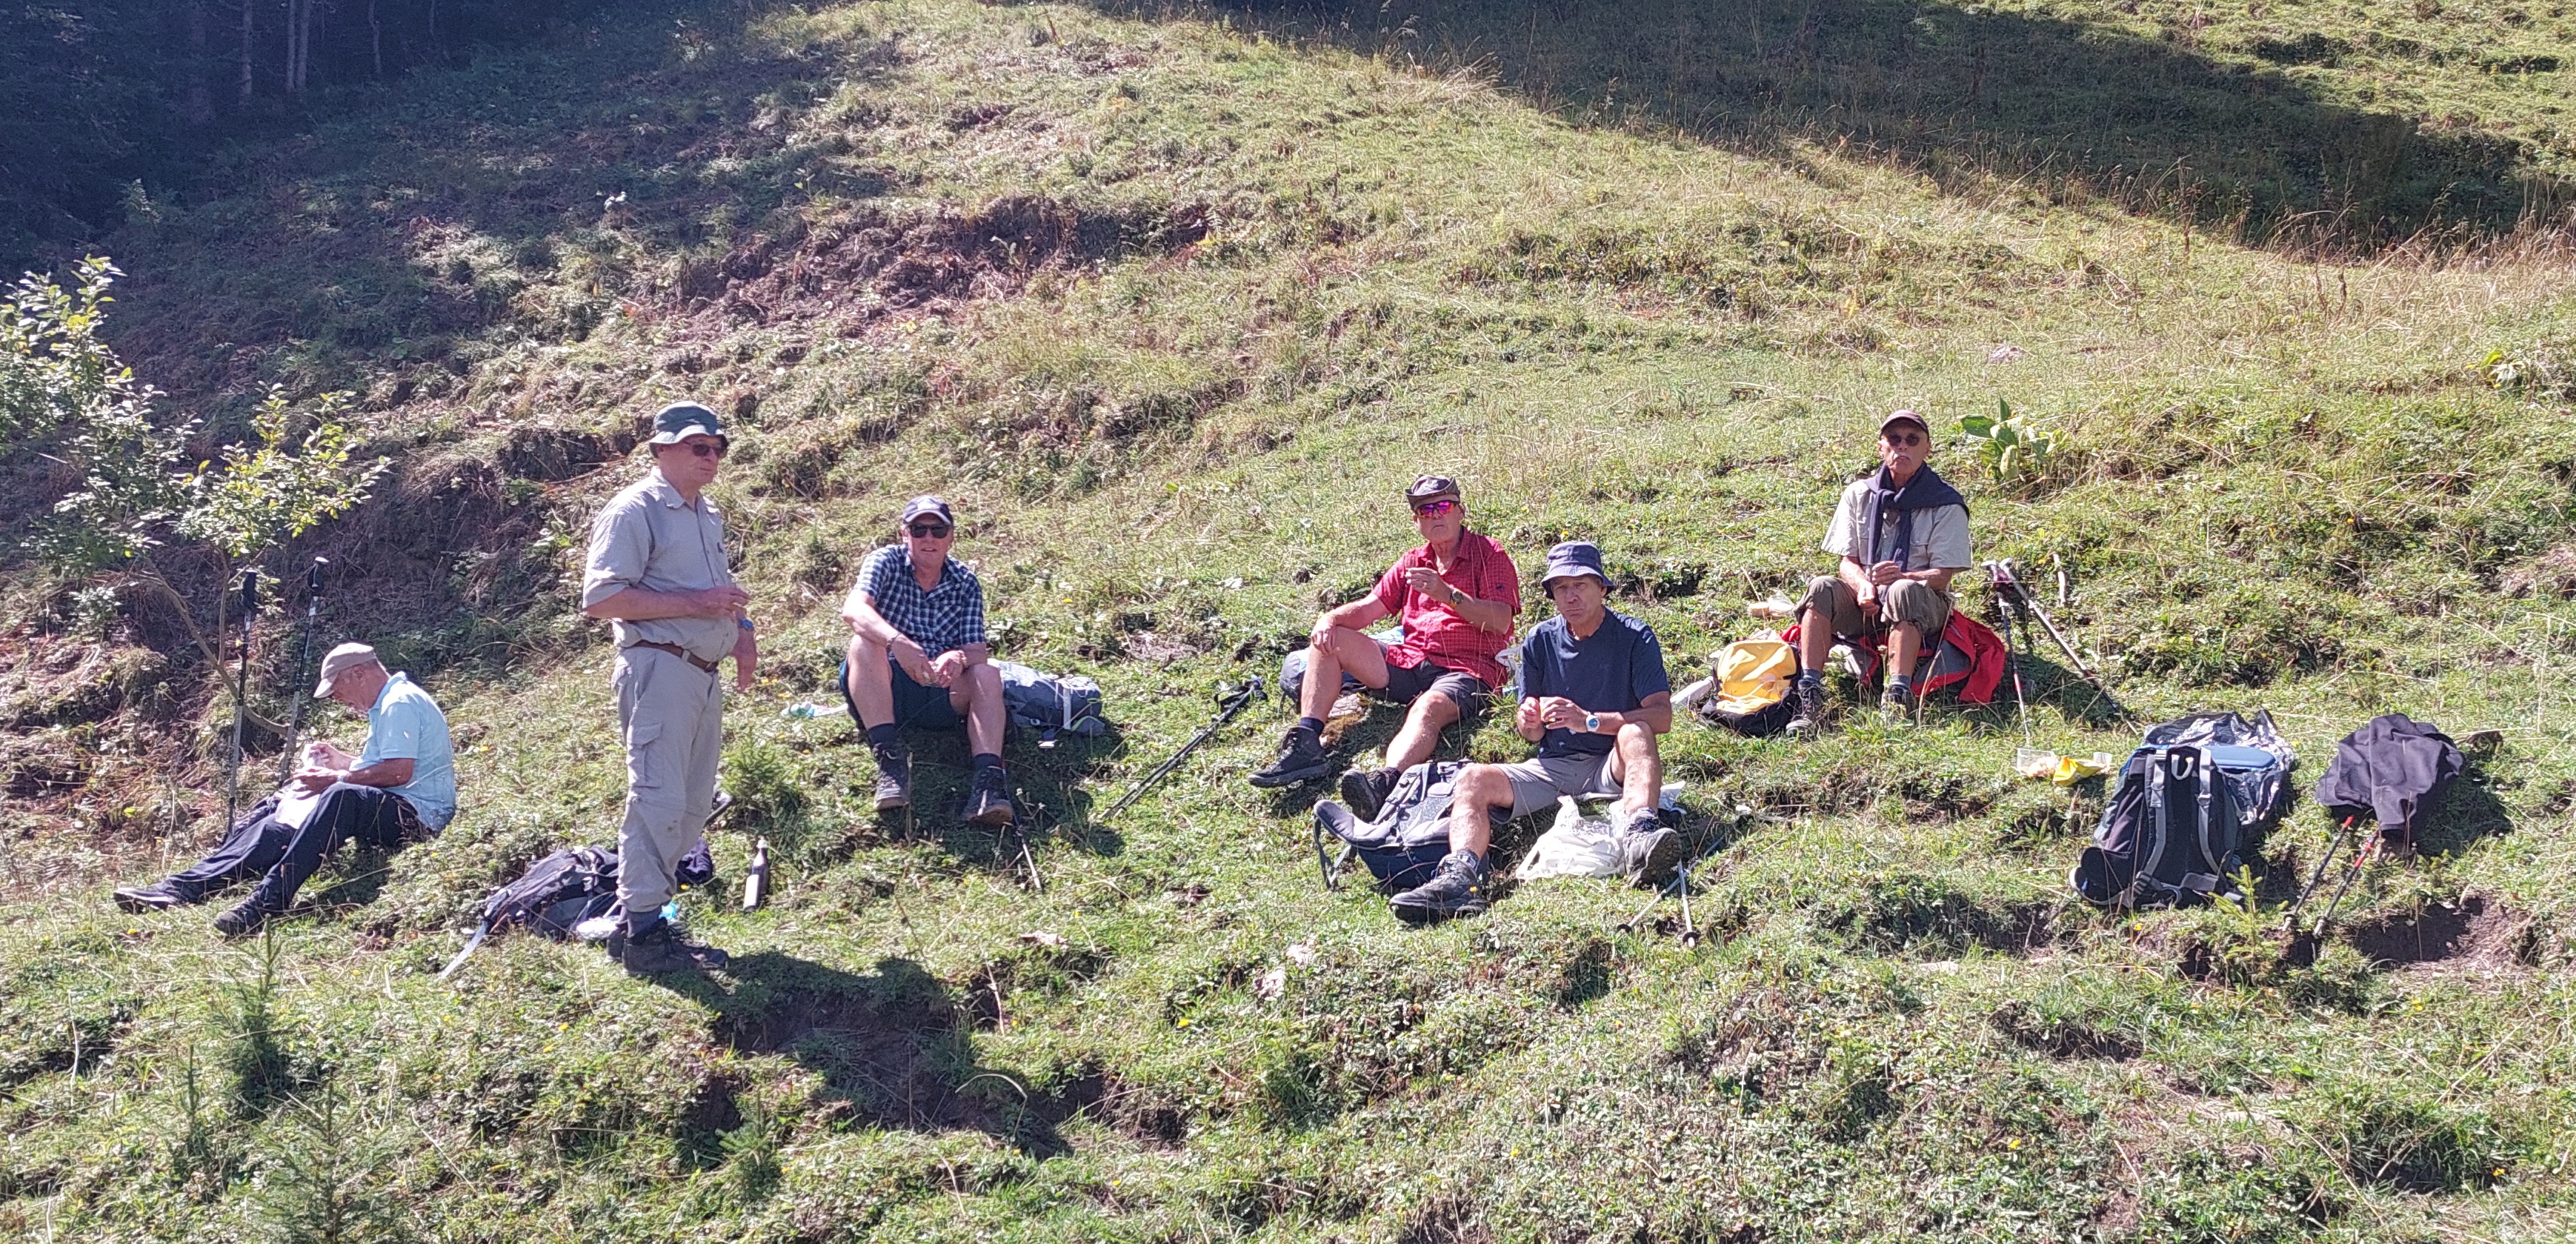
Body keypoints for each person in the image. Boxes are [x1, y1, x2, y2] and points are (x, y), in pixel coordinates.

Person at [1388, 541, 1680, 925]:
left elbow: (1662, 717)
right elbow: (1530, 732)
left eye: (1580, 585)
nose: (1571, 597)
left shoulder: (1633, 636)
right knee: (1473, 779)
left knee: (1637, 732)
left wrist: (1590, 720)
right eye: (1561, 588)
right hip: (1553, 765)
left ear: (1602, 588)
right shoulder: (1540, 640)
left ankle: (1641, 833)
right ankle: (1460, 876)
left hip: (1612, 762)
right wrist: (1529, 722)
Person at [580, 400, 759, 974]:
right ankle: (645, 936)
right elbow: (601, 598)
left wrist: (742, 633)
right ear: (661, 450)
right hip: (659, 668)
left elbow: (719, 590)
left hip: (702, 673)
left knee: (692, 803)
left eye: (717, 448)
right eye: (698, 447)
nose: (711, 457)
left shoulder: (705, 513)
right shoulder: (635, 509)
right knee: (657, 797)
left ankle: (641, 919)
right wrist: (697, 605)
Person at [112, 643, 456, 937]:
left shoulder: (399, 703)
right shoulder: (388, 704)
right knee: (276, 823)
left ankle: (269, 901)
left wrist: (335, 780)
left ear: (358, 674)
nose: (337, 698)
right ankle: (181, 888)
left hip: (420, 816)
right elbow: (388, 766)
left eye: (336, 689)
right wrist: (340, 762)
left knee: (341, 796)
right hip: (395, 804)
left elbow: (398, 772)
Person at [1250, 474, 1520, 816]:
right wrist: (1328, 619)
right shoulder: (1412, 561)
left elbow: (1500, 621)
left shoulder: (1490, 554)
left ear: (1460, 511)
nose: (1436, 515)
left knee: (1427, 708)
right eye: (1426, 510)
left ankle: (1385, 782)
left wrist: (1447, 594)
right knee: (1330, 639)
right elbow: (1368, 609)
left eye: (1444, 506)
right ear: (1416, 521)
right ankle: (1307, 744)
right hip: (1411, 661)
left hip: (1468, 669)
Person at [1785, 410, 1971, 738]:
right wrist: (1863, 586)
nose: (1902, 447)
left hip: (1921, 604)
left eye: (1912, 440)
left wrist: (1903, 577)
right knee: (1821, 586)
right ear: (1881, 447)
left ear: (1927, 448)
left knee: (1902, 591)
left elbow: (1942, 577)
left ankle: (1897, 698)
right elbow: (1847, 562)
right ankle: (1809, 696)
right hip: (1867, 605)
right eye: (1894, 440)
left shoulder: (1946, 504)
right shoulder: (1859, 494)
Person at [839, 495, 1014, 825]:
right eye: (919, 530)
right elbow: (854, 609)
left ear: (951, 537)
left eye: (938, 530)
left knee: (987, 674)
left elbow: (978, 651)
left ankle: (989, 783)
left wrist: (957, 656)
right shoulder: (884, 562)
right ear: (904, 535)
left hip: (938, 688)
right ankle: (890, 761)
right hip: (885, 682)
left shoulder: (965, 582)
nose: (928, 538)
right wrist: (898, 642)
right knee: (864, 642)